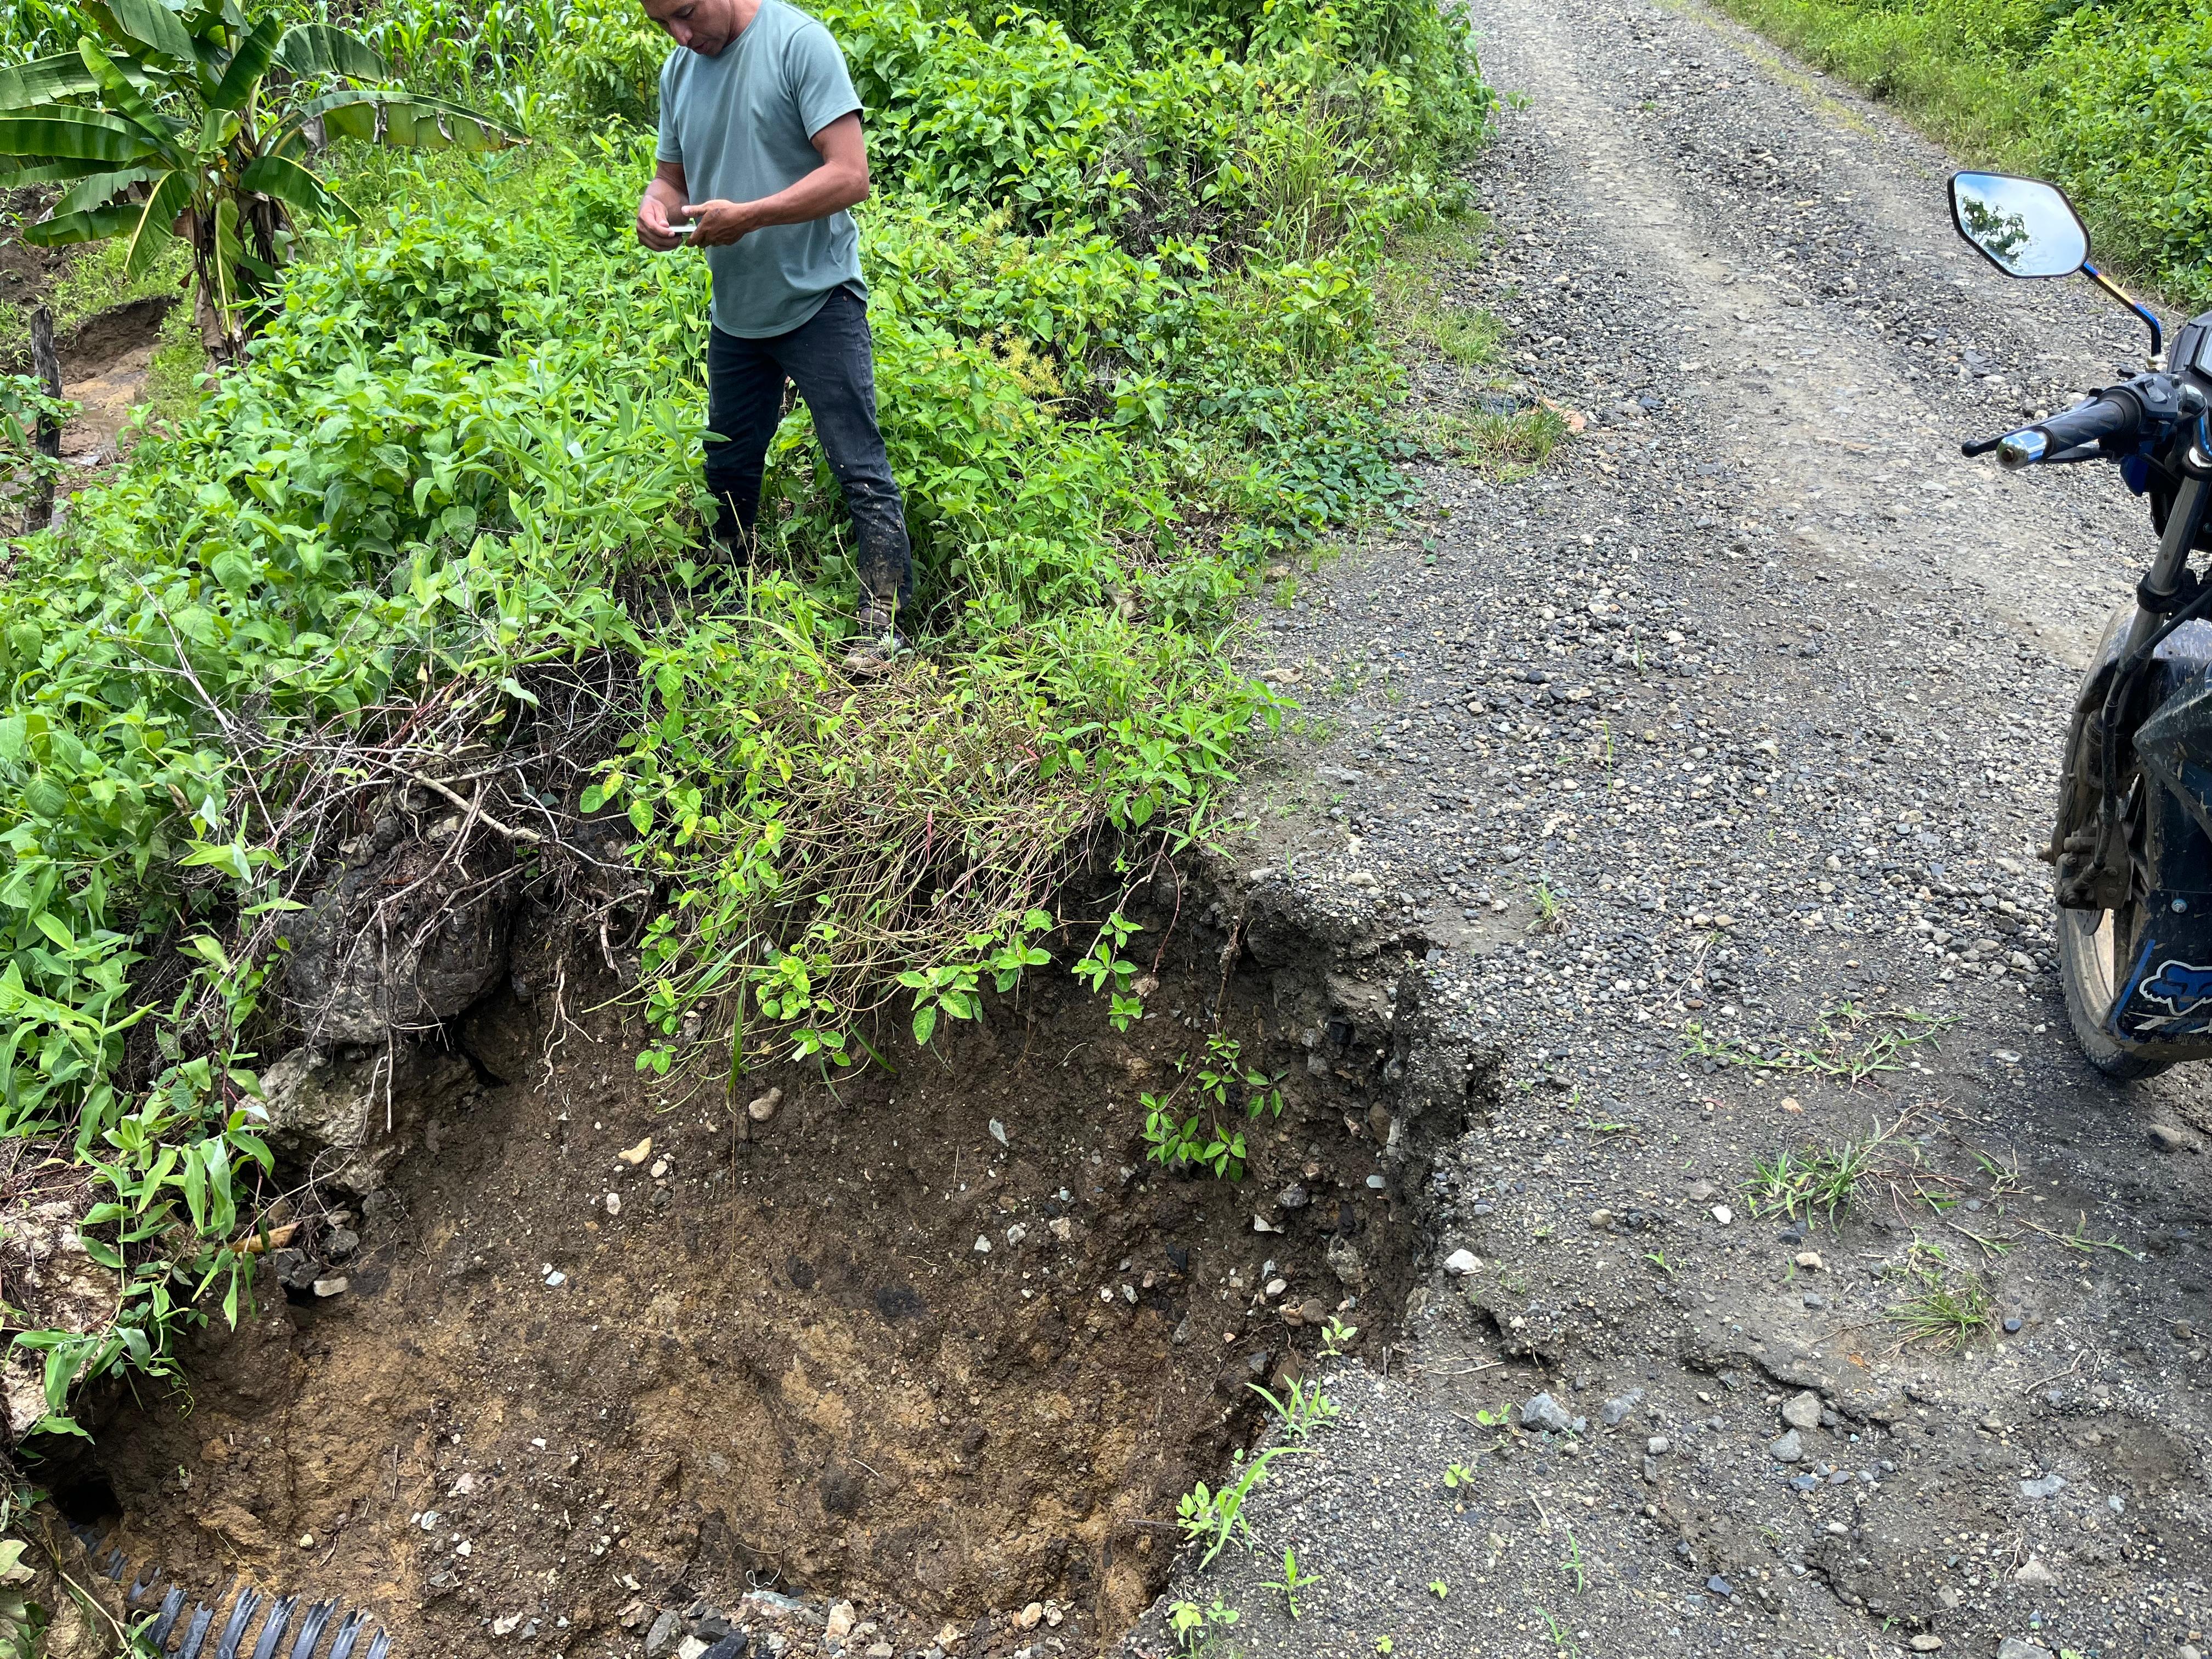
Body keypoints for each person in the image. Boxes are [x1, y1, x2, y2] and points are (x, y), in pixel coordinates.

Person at [635, 0, 912, 673]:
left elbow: (851, 174)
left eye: (685, 13)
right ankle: (725, 607)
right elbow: (671, 178)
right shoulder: (679, 72)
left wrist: (751, 216)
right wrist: (655, 208)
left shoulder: (798, 45)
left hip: (821, 299)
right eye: (662, 24)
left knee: (858, 463)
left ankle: (883, 623)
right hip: (738, 312)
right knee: (728, 468)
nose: (680, 35)